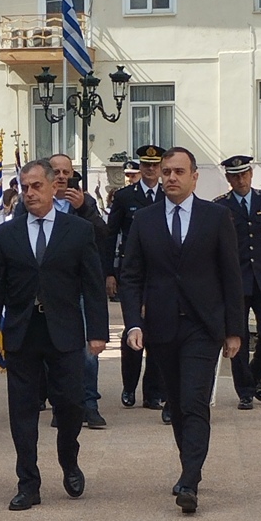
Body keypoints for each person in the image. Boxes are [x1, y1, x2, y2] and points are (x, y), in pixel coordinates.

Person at [0, 159, 109, 511]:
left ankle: (69, 458)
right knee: (22, 410)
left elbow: (93, 284)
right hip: (23, 333)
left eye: (37, 186)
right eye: (25, 187)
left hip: (64, 332)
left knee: (70, 404)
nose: (30, 193)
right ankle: (28, 482)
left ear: (55, 187)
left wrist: (97, 332)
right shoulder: (8, 234)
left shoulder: (77, 231)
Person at [119, 147, 243, 514]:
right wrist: (133, 323)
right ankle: (189, 465)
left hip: (204, 327)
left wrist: (234, 330)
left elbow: (230, 276)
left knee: (193, 400)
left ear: (193, 177)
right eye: (166, 172)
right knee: (175, 402)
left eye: (178, 171)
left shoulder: (216, 217)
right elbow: (131, 276)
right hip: (161, 326)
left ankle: (190, 479)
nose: (170, 177)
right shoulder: (144, 219)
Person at [18, 153, 108, 429]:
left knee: (85, 355)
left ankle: (88, 404)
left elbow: (102, 238)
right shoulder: (30, 202)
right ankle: (61, 404)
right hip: (42, 297)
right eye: (55, 171)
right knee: (52, 353)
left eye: (65, 172)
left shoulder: (83, 201)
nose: (61, 176)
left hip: (75, 293)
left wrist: (84, 209)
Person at [214, 155, 261, 409]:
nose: (240, 180)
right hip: (235, 283)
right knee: (238, 337)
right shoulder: (220, 207)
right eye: (235, 176)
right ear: (228, 179)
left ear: (251, 175)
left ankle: (255, 374)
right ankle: (245, 391)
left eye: (244, 174)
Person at [105, 145, 168, 420]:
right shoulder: (125, 196)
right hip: (133, 270)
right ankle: (129, 386)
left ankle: (153, 391)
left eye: (155, 165)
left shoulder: (169, 195)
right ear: (140, 167)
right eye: (146, 165)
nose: (150, 169)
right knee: (133, 328)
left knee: (158, 333)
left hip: (162, 272)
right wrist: (108, 272)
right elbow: (110, 235)